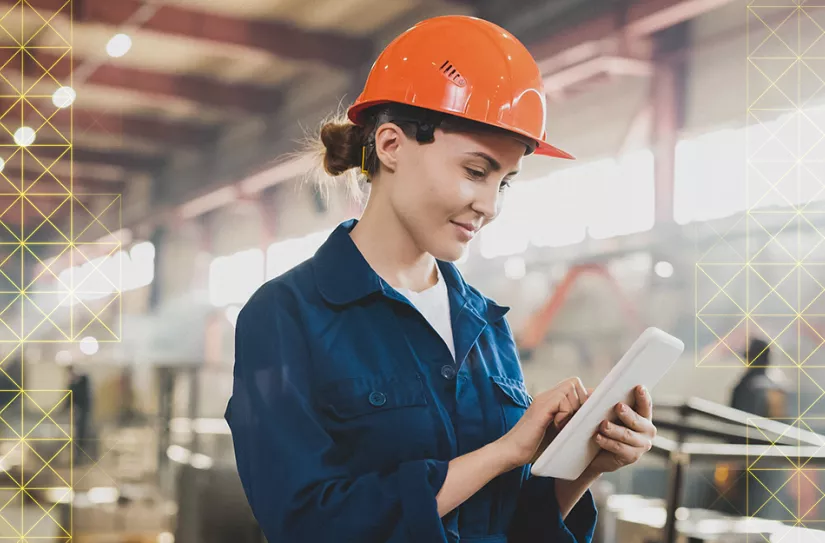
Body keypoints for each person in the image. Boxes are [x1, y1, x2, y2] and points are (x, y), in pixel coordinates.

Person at [225, 15, 658, 543]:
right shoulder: (286, 315)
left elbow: (507, 522)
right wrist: (503, 453)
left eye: (505, 182)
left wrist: (585, 462)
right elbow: (306, 523)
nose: (491, 206)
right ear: (391, 145)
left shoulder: (484, 325)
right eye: (476, 172)